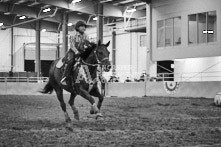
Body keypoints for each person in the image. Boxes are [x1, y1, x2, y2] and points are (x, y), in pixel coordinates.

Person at [60, 20, 90, 85]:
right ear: (77, 27)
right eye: (82, 26)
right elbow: (71, 45)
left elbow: (87, 44)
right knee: (70, 62)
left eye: (84, 26)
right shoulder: (73, 34)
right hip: (73, 51)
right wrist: (76, 51)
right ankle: (64, 78)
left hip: (82, 52)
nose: (84, 28)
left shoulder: (86, 35)